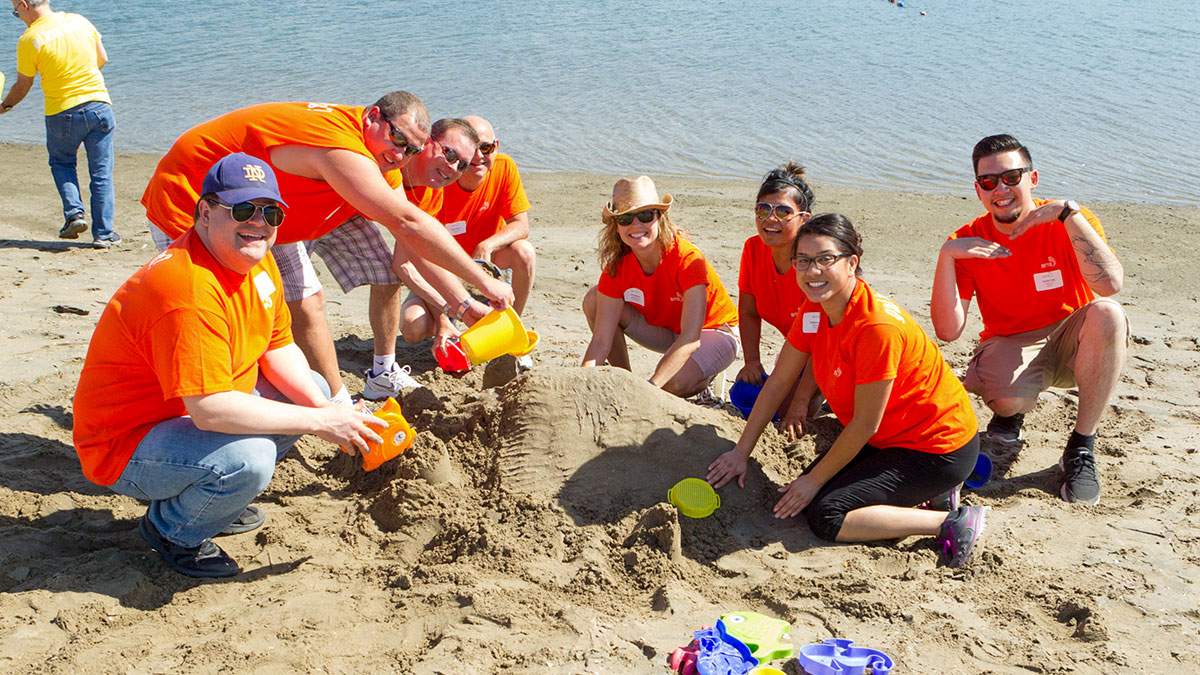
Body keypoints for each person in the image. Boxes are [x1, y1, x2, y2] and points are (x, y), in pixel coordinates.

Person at [73, 153, 387, 578]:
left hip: (182, 416)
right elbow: (210, 410)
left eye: (271, 212)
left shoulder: (257, 263)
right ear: (205, 212)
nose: (259, 223)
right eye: (243, 210)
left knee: (308, 386)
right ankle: (172, 530)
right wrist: (320, 423)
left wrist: (328, 409)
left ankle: (211, 500)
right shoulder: (186, 288)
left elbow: (278, 347)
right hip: (125, 445)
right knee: (250, 459)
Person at [141, 95, 513, 406]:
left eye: (411, 149)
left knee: (315, 296)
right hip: (195, 198)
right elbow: (408, 223)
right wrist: (483, 280)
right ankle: (204, 393)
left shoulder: (385, 166)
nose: (401, 155)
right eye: (398, 141)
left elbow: (411, 243)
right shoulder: (340, 146)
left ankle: (352, 392)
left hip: (273, 214)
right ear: (372, 118)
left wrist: (464, 306)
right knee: (226, 303)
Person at [707, 214, 986, 568]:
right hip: (889, 439)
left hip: (937, 449)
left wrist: (811, 482)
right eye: (803, 261)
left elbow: (865, 424)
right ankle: (932, 496)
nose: (812, 271)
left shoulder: (876, 328)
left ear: (852, 262)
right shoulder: (816, 307)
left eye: (825, 259)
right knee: (811, 491)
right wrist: (740, 452)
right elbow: (778, 381)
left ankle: (949, 521)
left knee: (827, 514)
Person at [930, 134, 1126, 505]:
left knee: (1109, 314)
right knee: (1004, 399)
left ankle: (1081, 446)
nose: (1000, 189)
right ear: (978, 189)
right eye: (989, 182)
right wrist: (948, 256)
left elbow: (1111, 285)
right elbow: (948, 331)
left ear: (1032, 179)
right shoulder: (967, 239)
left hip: (1075, 341)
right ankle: (1010, 416)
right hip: (1012, 341)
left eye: (1011, 177)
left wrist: (1071, 216)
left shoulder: (1066, 220)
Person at [274, 117, 488, 400]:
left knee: (385, 275)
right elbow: (406, 239)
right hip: (298, 207)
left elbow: (407, 259)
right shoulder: (387, 157)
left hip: (342, 215)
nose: (452, 168)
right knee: (300, 299)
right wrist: (460, 304)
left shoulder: (430, 193)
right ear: (427, 142)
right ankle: (328, 397)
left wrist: (451, 315)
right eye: (448, 154)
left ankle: (382, 374)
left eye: (462, 165)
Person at [582, 176, 739, 398]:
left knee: (674, 383)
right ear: (616, 226)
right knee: (594, 299)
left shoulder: (687, 258)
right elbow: (600, 341)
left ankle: (702, 379)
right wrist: (582, 379)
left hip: (712, 332)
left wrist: (651, 388)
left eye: (645, 215)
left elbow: (690, 339)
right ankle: (624, 380)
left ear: (660, 217)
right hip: (667, 332)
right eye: (626, 218)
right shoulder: (617, 265)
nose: (636, 225)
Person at [2, 0, 120, 246]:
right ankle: (104, 235)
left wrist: (5, 106)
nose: (17, 15)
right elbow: (102, 58)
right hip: (99, 104)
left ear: (24, 5)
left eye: (15, 11)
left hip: (62, 111)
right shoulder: (80, 20)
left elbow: (23, 85)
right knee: (101, 172)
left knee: (62, 162)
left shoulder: (30, 39)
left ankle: (74, 214)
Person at [736, 163, 820, 429]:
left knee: (782, 412)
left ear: (804, 219)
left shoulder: (812, 266)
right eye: (763, 209)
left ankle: (819, 396)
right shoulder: (753, 248)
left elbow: (823, 344)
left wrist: (800, 403)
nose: (770, 219)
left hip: (837, 354)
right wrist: (751, 362)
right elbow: (748, 312)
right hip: (799, 349)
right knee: (743, 394)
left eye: (783, 211)